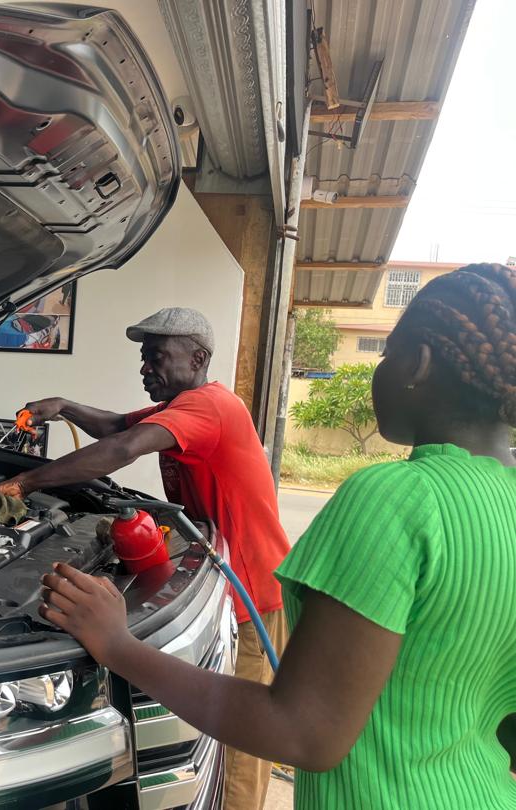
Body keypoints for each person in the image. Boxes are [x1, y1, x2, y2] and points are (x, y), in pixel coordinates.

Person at [40, 264, 516, 809]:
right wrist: (66, 406)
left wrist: (115, 643)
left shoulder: (396, 497)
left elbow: (299, 731)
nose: (147, 367)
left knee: (242, 763)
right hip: (484, 792)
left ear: (419, 364)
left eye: (387, 353)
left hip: (266, 617)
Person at [0, 306, 291, 810]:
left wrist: (24, 483)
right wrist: (64, 406)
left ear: (198, 358)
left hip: (252, 595)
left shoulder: (209, 406)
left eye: (156, 356)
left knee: (240, 740)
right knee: (217, 725)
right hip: (227, 581)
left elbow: (125, 446)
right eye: (144, 357)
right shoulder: (183, 406)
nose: (145, 368)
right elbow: (116, 425)